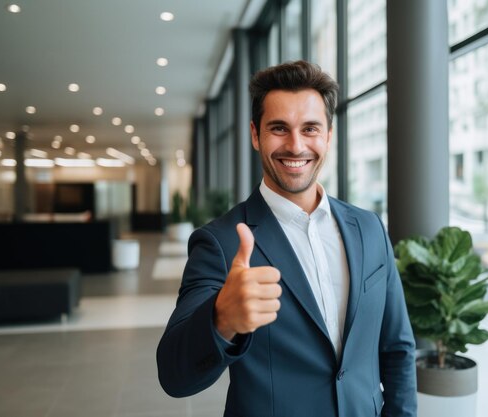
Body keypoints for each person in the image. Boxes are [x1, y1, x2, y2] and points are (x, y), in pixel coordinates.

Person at [157, 60, 417, 417]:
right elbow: (174, 376)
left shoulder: (369, 228)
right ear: (255, 134)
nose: (296, 146)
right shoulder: (221, 242)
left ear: (328, 135)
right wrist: (221, 319)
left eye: (310, 129)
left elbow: (397, 349)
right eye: (279, 128)